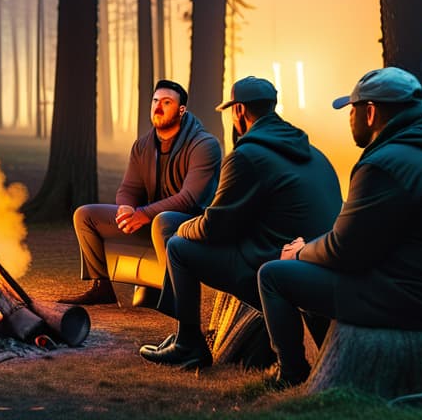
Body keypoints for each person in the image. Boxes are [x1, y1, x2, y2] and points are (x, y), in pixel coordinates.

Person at [256, 67, 422, 388]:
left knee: (274, 275)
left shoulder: (384, 165)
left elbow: (344, 252)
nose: (349, 118)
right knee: (317, 263)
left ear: (370, 112)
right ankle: (326, 361)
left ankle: (290, 376)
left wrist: (299, 253)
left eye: (352, 110)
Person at [139, 76, 342, 370]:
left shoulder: (248, 156)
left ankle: (188, 345)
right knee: (172, 223)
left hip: (272, 267)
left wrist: (184, 228)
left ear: (239, 112)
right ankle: (184, 333)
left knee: (178, 246)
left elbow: (213, 228)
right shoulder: (312, 152)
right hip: (313, 260)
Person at [59, 80, 222, 306]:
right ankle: (101, 287)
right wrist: (126, 208)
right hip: (151, 219)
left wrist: (143, 214)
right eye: (155, 101)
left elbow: (189, 199)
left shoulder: (204, 145)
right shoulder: (143, 146)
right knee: (85, 215)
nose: (158, 108)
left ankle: (176, 293)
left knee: (162, 221)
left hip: (189, 224)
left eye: (167, 102)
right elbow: (129, 189)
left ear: (181, 110)